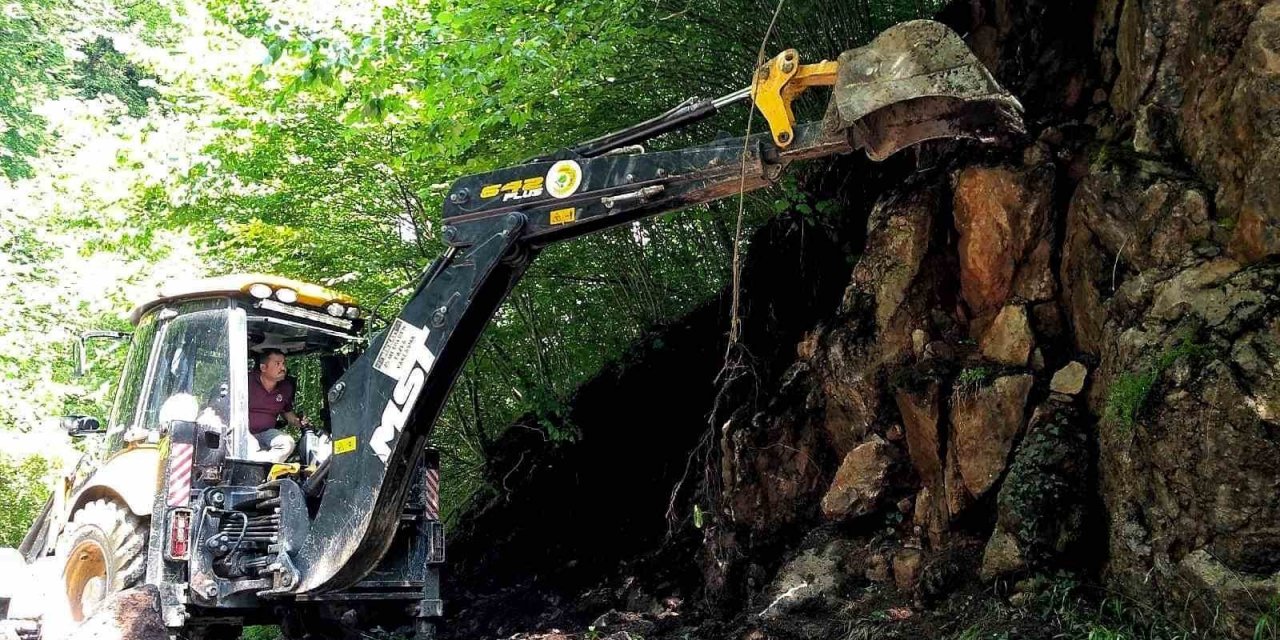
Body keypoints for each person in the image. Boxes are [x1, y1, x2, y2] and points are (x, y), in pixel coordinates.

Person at [248, 349, 308, 463]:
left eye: (283, 363)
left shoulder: (286, 388)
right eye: (277, 364)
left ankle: (264, 466)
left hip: (266, 433)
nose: (283, 368)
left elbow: (287, 412)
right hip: (243, 431)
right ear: (263, 368)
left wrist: (298, 422)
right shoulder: (246, 381)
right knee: (252, 446)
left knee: (288, 443)